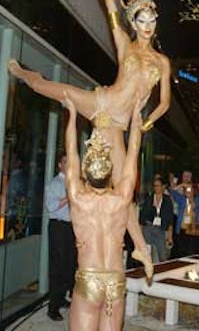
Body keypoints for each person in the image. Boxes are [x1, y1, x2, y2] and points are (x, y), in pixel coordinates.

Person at [8, 0, 165, 278]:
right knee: (49, 88)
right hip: (100, 101)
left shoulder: (162, 61)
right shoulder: (126, 46)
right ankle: (27, 74)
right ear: (134, 23)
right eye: (141, 19)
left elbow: (163, 104)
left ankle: (141, 250)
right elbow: (110, 12)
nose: (147, 25)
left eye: (151, 19)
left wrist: (145, 124)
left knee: (125, 193)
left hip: (117, 124)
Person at [64, 95, 142, 331]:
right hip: (115, 280)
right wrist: (136, 121)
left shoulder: (78, 199)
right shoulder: (121, 199)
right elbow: (132, 154)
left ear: (86, 174)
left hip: (89, 278)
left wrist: (72, 116)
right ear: (109, 173)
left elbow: (71, 155)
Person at [45, 153, 77, 321]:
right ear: (59, 165)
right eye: (65, 161)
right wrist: (69, 197)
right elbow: (51, 207)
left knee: (70, 264)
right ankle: (52, 308)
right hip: (58, 226)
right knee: (57, 266)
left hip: (71, 227)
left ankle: (62, 298)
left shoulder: (74, 183)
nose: (68, 164)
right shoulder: (54, 184)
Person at [139, 177, 174, 263]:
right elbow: (142, 217)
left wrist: (170, 236)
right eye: (155, 186)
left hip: (161, 229)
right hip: (149, 228)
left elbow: (170, 219)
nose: (156, 188)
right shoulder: (149, 199)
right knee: (149, 254)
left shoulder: (167, 200)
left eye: (158, 186)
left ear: (163, 187)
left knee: (162, 256)